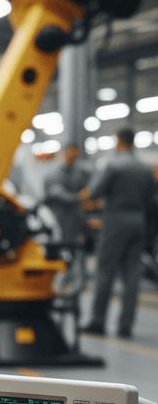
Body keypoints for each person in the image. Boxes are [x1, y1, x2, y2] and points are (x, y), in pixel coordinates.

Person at [80, 128, 158, 338]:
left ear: (119, 141)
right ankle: (126, 325)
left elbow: (94, 192)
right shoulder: (145, 167)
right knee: (132, 275)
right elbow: (152, 199)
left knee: (105, 271)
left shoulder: (114, 164)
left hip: (116, 219)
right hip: (139, 220)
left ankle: (98, 321)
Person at [43, 144, 91, 246]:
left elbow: (88, 191)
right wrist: (79, 196)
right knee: (59, 246)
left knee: (75, 247)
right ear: (63, 153)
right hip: (58, 217)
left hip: (76, 219)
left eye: (75, 155)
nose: (72, 157)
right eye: (70, 153)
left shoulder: (81, 174)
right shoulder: (53, 174)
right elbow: (57, 195)